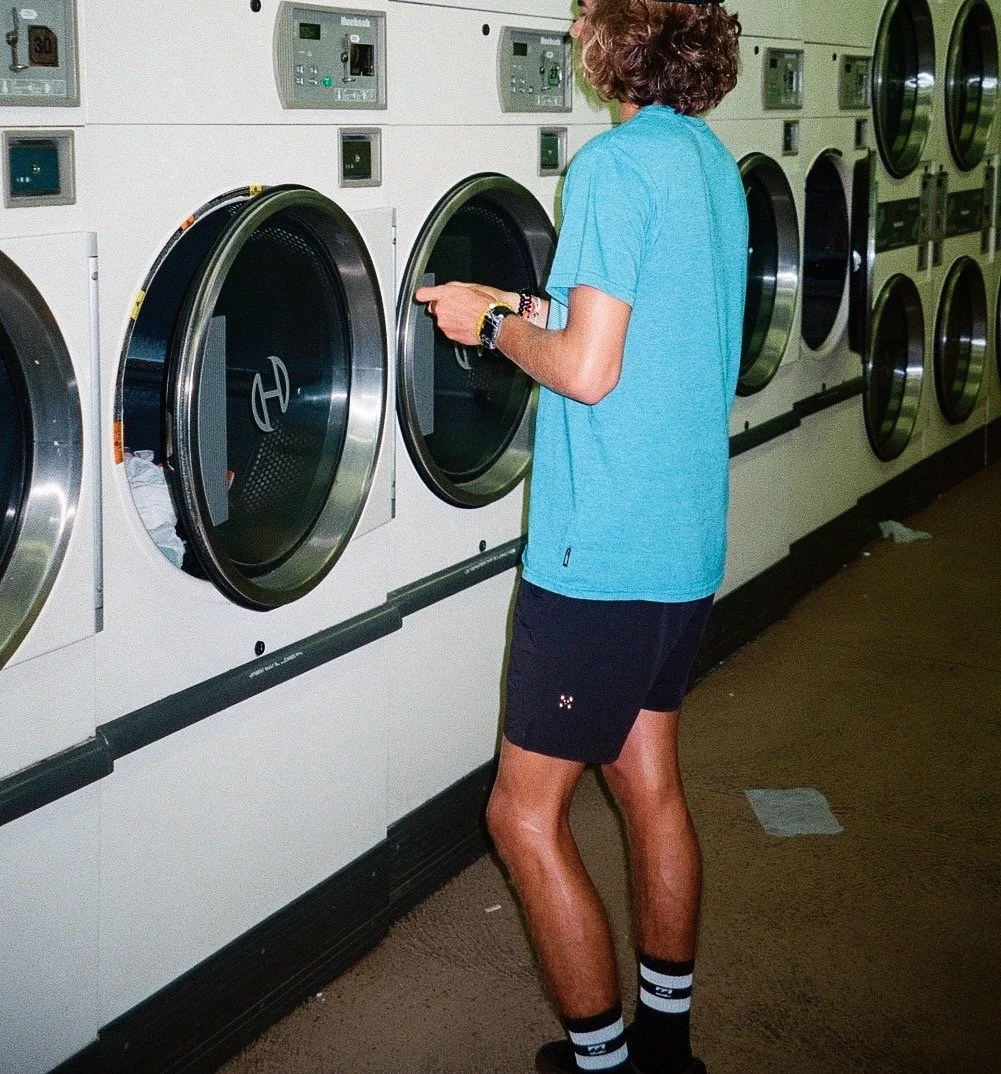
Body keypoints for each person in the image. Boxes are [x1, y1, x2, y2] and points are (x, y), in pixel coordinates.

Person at [416, 1, 746, 1071]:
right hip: (683, 541)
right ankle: (664, 1050)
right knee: (646, 780)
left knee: (518, 818)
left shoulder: (610, 167)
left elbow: (588, 370)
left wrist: (490, 327)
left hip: (598, 558)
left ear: (609, 44)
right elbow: (631, 326)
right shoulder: (705, 162)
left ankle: (601, 1064)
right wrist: (515, 297)